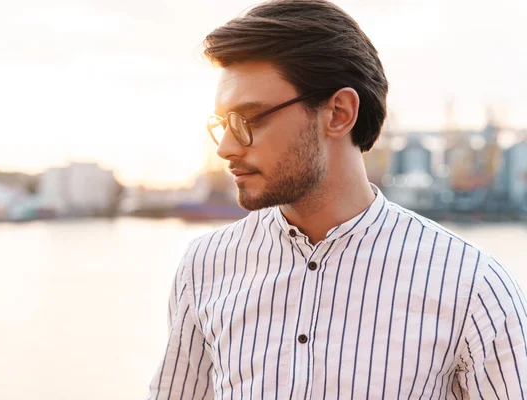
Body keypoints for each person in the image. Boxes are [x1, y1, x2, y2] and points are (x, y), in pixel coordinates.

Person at [147, 0, 527, 398]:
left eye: (250, 119)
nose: (225, 147)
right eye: (223, 124)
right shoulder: (204, 267)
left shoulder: (473, 287)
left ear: (339, 112)